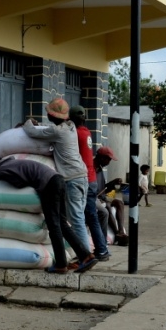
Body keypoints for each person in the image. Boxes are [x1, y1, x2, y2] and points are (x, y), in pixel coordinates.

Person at [0, 154, 96, 274]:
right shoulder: (12, 163)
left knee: (54, 226)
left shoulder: (2, 170)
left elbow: (19, 183)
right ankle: (85, 256)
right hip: (58, 179)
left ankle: (61, 264)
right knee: (62, 224)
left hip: (48, 185)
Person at [23, 98, 87, 253]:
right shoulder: (70, 126)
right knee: (77, 219)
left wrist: (29, 122)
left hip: (72, 178)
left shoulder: (57, 131)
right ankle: (81, 254)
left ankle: (85, 256)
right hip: (81, 175)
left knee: (76, 220)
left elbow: (31, 132)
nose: (47, 116)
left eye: (48, 113)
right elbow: (49, 128)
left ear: (53, 116)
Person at [71, 108, 111, 262]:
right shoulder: (87, 132)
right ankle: (101, 250)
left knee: (84, 217)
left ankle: (94, 252)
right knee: (91, 216)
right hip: (91, 178)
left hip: (84, 178)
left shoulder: (77, 134)